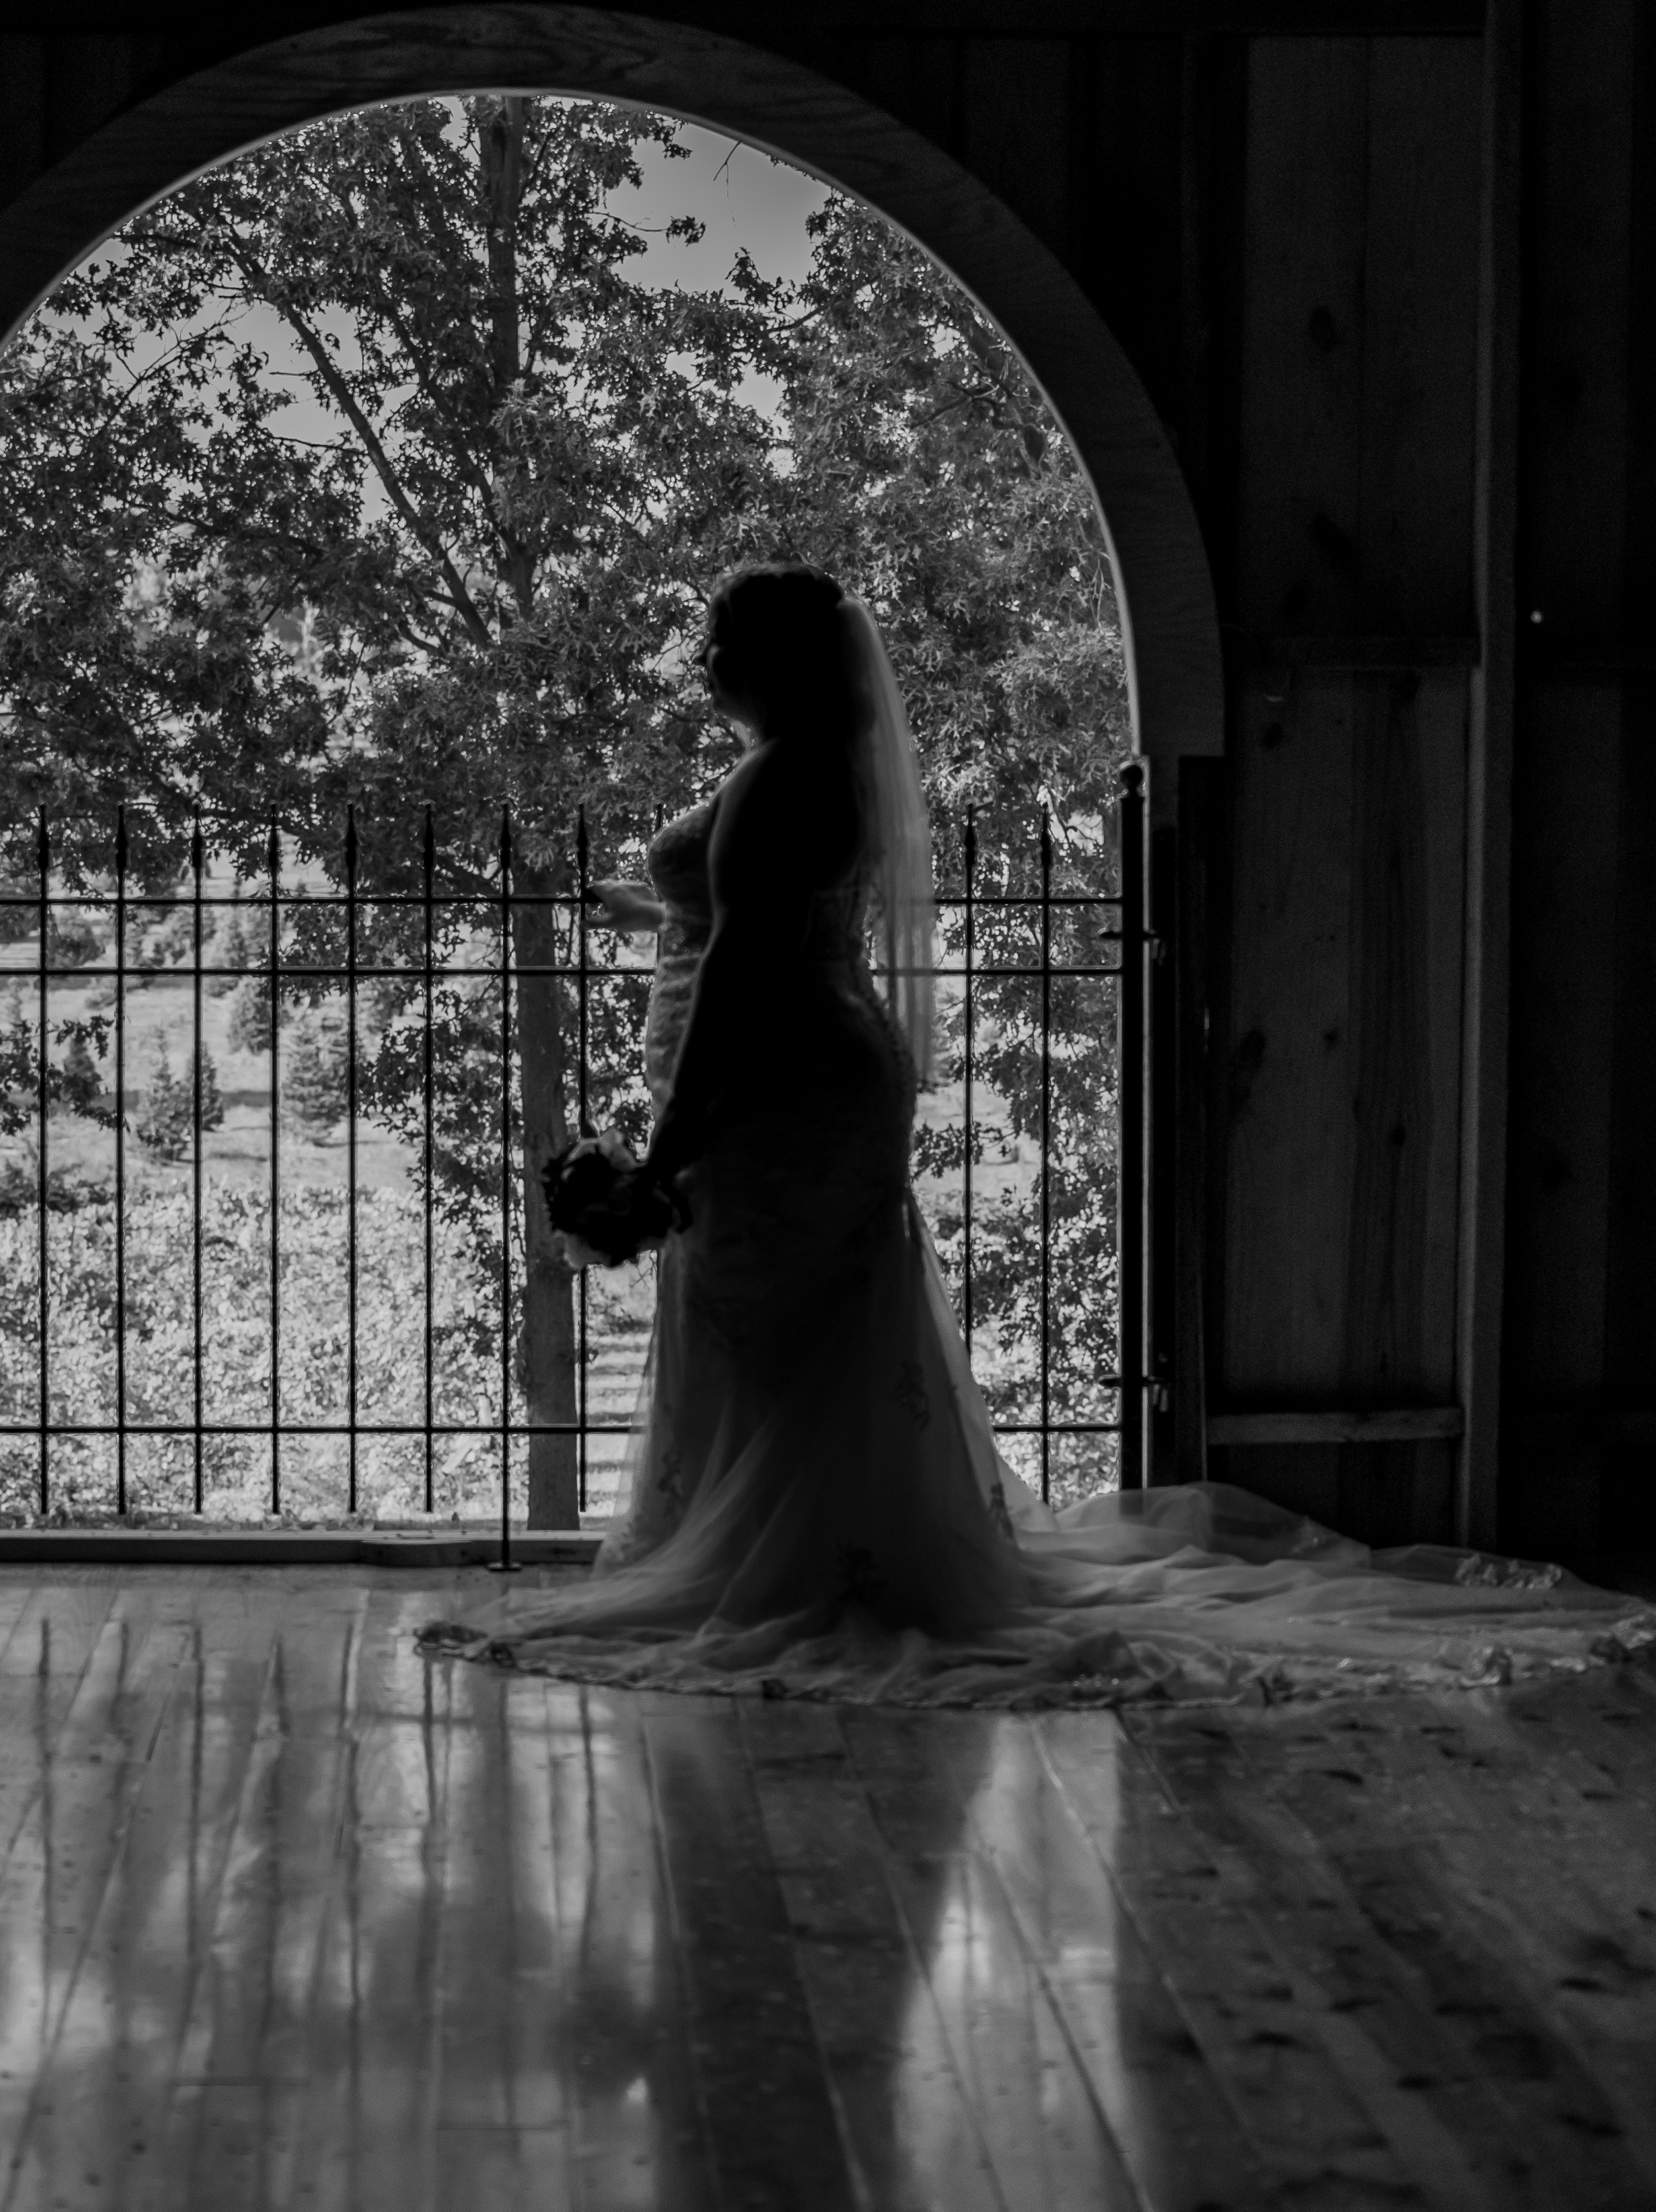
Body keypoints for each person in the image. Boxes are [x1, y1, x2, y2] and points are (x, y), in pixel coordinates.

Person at [424, 566, 1656, 1707]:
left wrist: (666, 1152)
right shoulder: (808, 767)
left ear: (776, 660)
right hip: (809, 1076)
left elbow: (748, 969)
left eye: (719, 641)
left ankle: (792, 1577)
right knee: (801, 1324)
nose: (700, 659)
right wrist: (653, 906)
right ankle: (823, 1558)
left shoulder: (781, 774)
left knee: (771, 1326)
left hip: (774, 1091)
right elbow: (769, 914)